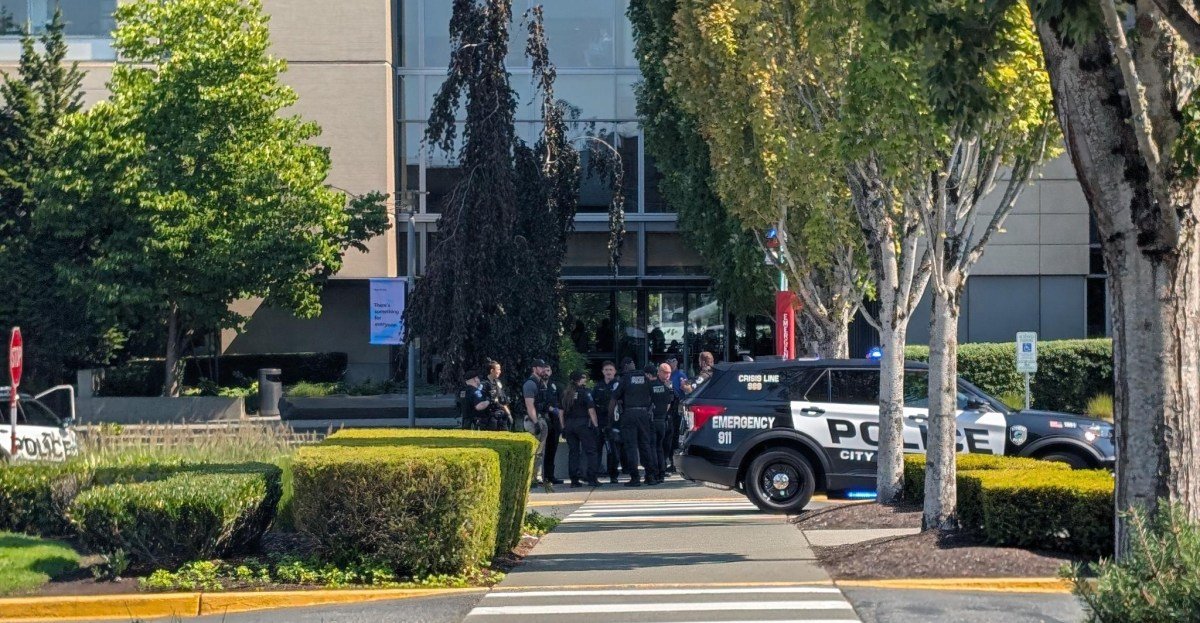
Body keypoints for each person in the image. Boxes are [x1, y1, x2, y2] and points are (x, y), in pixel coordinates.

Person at [610, 362, 656, 487]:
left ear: (626, 368)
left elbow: (614, 398)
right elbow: (653, 396)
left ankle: (635, 477)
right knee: (645, 445)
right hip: (643, 414)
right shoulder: (646, 379)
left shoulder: (625, 379)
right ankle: (650, 476)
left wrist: (611, 419)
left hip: (629, 414)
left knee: (631, 447)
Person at [562, 370, 602, 488]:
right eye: (583, 377)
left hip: (569, 425)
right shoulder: (585, 393)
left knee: (573, 452)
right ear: (578, 380)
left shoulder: (566, 394)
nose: (585, 379)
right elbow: (591, 410)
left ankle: (574, 480)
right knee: (591, 451)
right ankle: (592, 478)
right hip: (583, 424)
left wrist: (563, 427)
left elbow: (561, 412)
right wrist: (596, 426)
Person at [591, 360, 623, 484]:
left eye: (610, 370)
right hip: (600, 422)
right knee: (597, 450)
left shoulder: (619, 385)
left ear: (615, 372)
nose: (608, 372)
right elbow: (592, 405)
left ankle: (613, 475)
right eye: (606, 370)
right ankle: (595, 475)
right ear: (602, 372)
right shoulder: (598, 386)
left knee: (614, 451)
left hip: (614, 422)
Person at [522, 359, 551, 486]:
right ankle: (530, 477)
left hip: (541, 418)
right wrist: (535, 422)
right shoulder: (530, 384)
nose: (543, 370)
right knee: (533, 451)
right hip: (533, 420)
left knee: (539, 452)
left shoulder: (541, 383)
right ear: (534, 369)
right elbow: (530, 405)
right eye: (541, 367)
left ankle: (536, 477)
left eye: (544, 367)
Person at [648, 362, 674, 485]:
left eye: (669, 373)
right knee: (659, 448)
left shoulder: (651, 385)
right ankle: (661, 473)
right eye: (665, 372)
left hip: (654, 420)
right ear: (659, 372)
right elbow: (669, 404)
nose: (668, 375)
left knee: (654, 448)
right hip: (662, 420)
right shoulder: (667, 387)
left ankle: (655, 473)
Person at [541, 365, 565, 485]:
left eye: (548, 370)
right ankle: (537, 477)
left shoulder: (555, 386)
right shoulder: (536, 385)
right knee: (539, 450)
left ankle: (550, 476)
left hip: (554, 422)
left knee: (552, 449)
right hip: (541, 420)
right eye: (544, 370)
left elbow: (561, 403)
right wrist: (549, 408)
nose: (546, 373)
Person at [665, 355, 688, 471]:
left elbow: (686, 390)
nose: (670, 363)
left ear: (676, 362)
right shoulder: (666, 375)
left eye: (672, 361)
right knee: (669, 436)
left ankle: (674, 463)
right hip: (668, 409)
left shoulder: (680, 375)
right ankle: (670, 461)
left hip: (678, 409)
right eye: (668, 361)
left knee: (676, 436)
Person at [480, 360, 512, 430]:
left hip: (501, 416)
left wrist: (509, 414)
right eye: (498, 369)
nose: (500, 371)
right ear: (492, 371)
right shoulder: (483, 384)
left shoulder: (498, 382)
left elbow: (503, 400)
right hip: (489, 418)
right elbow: (480, 402)